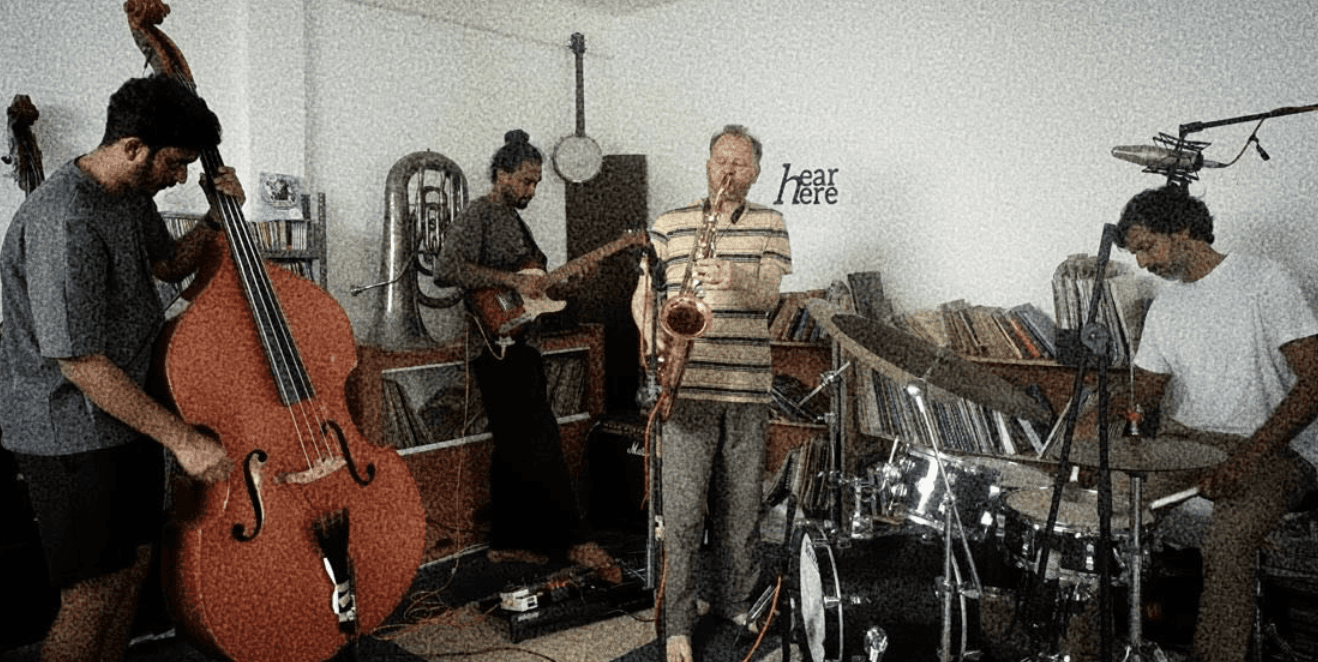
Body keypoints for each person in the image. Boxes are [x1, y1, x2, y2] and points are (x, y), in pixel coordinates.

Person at [0, 76, 239, 662]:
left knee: (131, 576)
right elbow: (80, 363)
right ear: (133, 147)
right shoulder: (65, 219)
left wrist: (214, 219)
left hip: (127, 415)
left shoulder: (130, 197)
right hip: (70, 430)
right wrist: (183, 439)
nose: (179, 177)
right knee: (91, 598)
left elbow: (168, 264)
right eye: (175, 163)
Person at [1104, 185, 1318, 662]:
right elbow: (1145, 391)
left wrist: (1247, 458)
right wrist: (1100, 416)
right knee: (1104, 512)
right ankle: (1086, 647)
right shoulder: (1166, 307)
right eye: (1136, 253)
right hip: (1185, 442)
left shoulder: (1265, 281)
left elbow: (1315, 382)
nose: (1142, 263)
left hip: (1274, 449)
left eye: (1147, 247)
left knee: (1228, 539)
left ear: (1183, 231)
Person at [630, 125, 791, 662]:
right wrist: (652, 335)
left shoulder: (771, 223)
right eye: (721, 160)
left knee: (741, 510)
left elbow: (769, 296)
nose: (728, 171)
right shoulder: (670, 223)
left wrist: (733, 277)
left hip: (747, 390)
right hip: (685, 389)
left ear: (756, 172)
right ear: (707, 163)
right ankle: (677, 624)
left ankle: (736, 604)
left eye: (740, 164)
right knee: (680, 515)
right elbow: (643, 295)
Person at [433, 129, 619, 582]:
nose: (532, 190)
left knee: (514, 446)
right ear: (502, 175)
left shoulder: (517, 223)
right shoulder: (478, 214)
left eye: (536, 183)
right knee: (542, 440)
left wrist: (572, 281)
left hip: (522, 340)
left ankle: (508, 542)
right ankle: (574, 539)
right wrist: (512, 282)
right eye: (526, 181)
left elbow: (538, 286)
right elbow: (445, 268)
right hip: (495, 345)